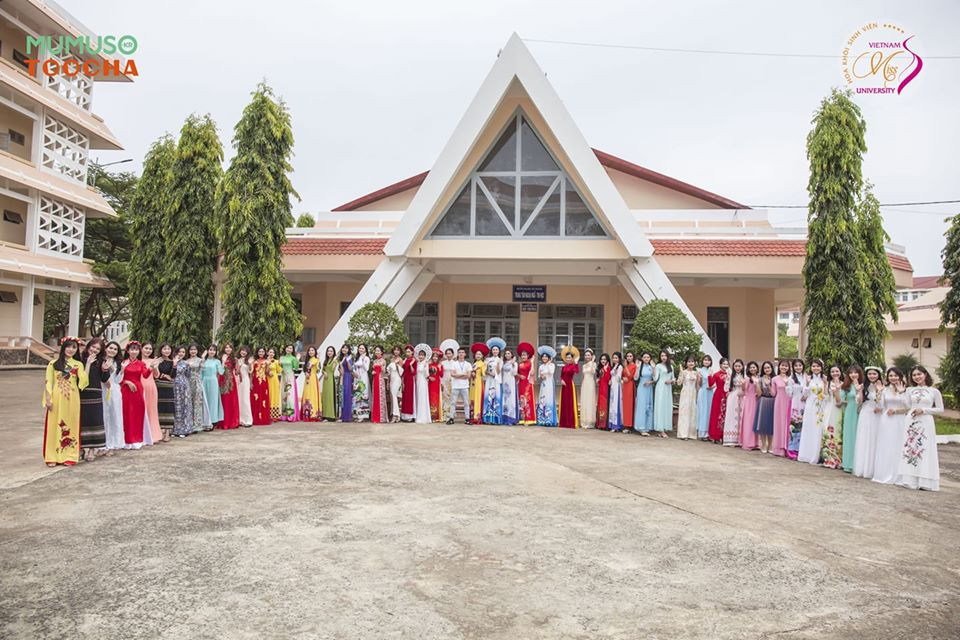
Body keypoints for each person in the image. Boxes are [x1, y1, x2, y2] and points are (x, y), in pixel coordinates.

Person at [41, 337, 87, 466]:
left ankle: (69, 455)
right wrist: (48, 398)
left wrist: (87, 365)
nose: (71, 350)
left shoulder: (78, 364)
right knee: (54, 425)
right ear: (63, 347)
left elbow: (83, 383)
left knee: (71, 424)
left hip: (73, 397)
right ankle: (52, 456)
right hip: (56, 397)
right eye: (68, 346)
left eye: (74, 347)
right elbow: (48, 382)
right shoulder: (53, 364)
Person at [895, 365, 942, 491]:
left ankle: (925, 481)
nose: (917, 377)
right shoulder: (910, 390)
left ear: (925, 374)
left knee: (924, 449)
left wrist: (924, 410)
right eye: (914, 375)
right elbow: (907, 405)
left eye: (919, 374)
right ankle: (910, 480)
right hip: (911, 421)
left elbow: (940, 409)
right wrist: (901, 393)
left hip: (926, 422)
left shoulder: (934, 391)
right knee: (910, 449)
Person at [873, 367, 907, 484]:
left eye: (896, 375)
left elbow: (908, 406)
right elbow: (880, 406)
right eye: (891, 376)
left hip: (900, 419)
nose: (893, 378)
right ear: (887, 377)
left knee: (899, 445)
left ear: (900, 376)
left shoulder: (905, 390)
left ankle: (899, 475)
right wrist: (878, 392)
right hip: (886, 419)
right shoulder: (884, 390)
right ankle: (884, 473)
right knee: (886, 445)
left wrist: (902, 393)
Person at [79, 338, 109, 460]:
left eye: (98, 348)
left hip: (96, 394)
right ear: (88, 346)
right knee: (81, 421)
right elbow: (80, 377)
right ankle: (80, 449)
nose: (94, 350)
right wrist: (88, 363)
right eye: (93, 347)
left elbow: (104, 379)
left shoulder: (101, 361)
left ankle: (92, 450)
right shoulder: (80, 359)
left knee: (95, 421)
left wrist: (105, 370)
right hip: (82, 393)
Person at [852, 366, 884, 478]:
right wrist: (859, 391)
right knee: (864, 438)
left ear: (878, 375)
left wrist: (879, 391)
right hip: (865, 412)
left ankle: (876, 468)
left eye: (874, 374)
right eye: (870, 374)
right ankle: (863, 467)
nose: (872, 376)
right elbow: (859, 401)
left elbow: (883, 402)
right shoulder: (864, 386)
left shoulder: (883, 387)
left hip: (877, 414)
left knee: (876, 438)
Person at [797, 359, 830, 465]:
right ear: (811, 367)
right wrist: (806, 383)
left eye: (818, 366)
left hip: (820, 407)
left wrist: (825, 384)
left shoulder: (824, 379)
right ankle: (806, 454)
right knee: (808, 428)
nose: (816, 368)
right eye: (814, 366)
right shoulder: (808, 378)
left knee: (819, 429)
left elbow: (827, 396)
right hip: (810, 406)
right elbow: (804, 395)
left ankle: (816, 455)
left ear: (821, 367)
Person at [120, 341, 152, 448]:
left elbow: (146, 375)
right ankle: (126, 440)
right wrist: (127, 382)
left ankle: (137, 439)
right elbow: (118, 379)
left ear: (139, 351)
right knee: (126, 413)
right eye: (132, 349)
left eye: (136, 350)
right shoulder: (123, 362)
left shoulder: (141, 363)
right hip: (125, 389)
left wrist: (151, 367)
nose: (134, 352)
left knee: (137, 413)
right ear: (128, 351)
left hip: (138, 389)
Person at [101, 341, 125, 451]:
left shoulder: (118, 363)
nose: (112, 350)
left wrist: (121, 372)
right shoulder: (100, 360)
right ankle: (103, 444)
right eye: (110, 348)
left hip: (114, 390)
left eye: (115, 349)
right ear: (105, 348)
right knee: (104, 416)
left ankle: (115, 443)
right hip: (102, 389)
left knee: (115, 416)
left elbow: (118, 380)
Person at [839, 365, 864, 472]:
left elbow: (861, 401)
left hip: (861, 412)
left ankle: (858, 463)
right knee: (849, 436)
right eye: (851, 372)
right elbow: (839, 401)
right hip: (850, 411)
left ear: (859, 373)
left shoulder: (863, 385)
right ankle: (848, 463)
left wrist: (859, 390)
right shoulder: (846, 386)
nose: (853, 375)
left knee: (859, 436)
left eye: (856, 372)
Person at [820, 364, 844, 469]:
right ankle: (828, 459)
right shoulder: (828, 383)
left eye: (837, 371)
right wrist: (825, 385)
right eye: (832, 371)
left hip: (839, 409)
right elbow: (825, 396)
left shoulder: (844, 384)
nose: (835, 373)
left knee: (838, 432)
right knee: (828, 431)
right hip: (829, 408)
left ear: (841, 372)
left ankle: (838, 459)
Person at [140, 342, 164, 443]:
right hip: (139, 387)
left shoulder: (153, 361)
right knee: (140, 411)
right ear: (141, 349)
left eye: (150, 349)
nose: (148, 351)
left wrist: (154, 367)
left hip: (151, 386)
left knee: (151, 410)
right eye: (146, 348)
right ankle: (140, 435)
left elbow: (157, 375)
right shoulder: (136, 361)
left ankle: (153, 434)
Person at [752, 361, 776, 453]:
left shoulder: (775, 379)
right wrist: (757, 383)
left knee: (771, 423)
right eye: (765, 368)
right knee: (762, 423)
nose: (767, 369)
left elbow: (774, 393)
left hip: (773, 401)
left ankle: (770, 444)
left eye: (769, 367)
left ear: (772, 368)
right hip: (763, 400)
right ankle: (764, 444)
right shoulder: (760, 379)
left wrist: (770, 385)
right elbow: (759, 393)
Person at [786, 359, 807, 459]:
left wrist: (806, 395)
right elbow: (789, 394)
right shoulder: (791, 379)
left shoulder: (806, 378)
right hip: (795, 403)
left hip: (805, 404)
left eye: (800, 365)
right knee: (794, 426)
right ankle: (792, 449)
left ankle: (801, 449)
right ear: (793, 367)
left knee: (803, 427)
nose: (798, 367)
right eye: (796, 366)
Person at [156, 343, 177, 439]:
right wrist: (164, 376)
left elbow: (172, 376)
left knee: (168, 407)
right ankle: (160, 430)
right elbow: (155, 374)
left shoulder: (172, 362)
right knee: (159, 407)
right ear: (161, 350)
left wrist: (175, 365)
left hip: (168, 387)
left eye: (168, 349)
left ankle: (167, 432)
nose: (167, 351)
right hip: (158, 386)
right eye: (164, 349)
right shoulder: (157, 360)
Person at [172, 346, 194, 437]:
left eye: (183, 352)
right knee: (175, 407)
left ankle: (184, 429)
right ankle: (174, 430)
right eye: (179, 352)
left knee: (185, 407)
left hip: (184, 386)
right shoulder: (171, 362)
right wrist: (174, 364)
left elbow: (188, 375)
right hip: (173, 386)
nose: (181, 354)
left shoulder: (186, 363)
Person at [770, 360, 792, 455]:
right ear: (779, 367)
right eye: (782, 365)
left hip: (789, 402)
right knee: (779, 424)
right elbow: (773, 393)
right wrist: (769, 385)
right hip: (779, 403)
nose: (784, 367)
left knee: (788, 424)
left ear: (788, 368)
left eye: (786, 366)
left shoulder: (791, 379)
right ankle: (778, 448)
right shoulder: (775, 379)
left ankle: (788, 447)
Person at [201, 344, 225, 428]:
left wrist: (223, 362)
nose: (212, 351)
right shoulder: (203, 360)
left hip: (213, 382)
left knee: (213, 401)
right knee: (205, 401)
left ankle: (213, 421)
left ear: (216, 352)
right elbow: (201, 372)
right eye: (210, 349)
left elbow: (221, 372)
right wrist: (203, 359)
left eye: (214, 350)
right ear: (207, 351)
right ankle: (205, 421)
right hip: (204, 381)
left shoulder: (217, 361)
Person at [722, 359, 745, 446]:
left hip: (743, 396)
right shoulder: (730, 375)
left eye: (739, 366)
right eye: (736, 366)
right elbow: (726, 387)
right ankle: (731, 439)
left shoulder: (745, 376)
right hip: (733, 396)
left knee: (741, 416)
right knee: (732, 416)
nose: (737, 368)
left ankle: (740, 439)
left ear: (742, 367)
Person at [676, 355, 699, 440]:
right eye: (689, 361)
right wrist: (681, 373)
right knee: (684, 412)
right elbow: (679, 383)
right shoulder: (684, 372)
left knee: (692, 412)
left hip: (693, 394)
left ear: (695, 363)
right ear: (686, 363)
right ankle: (683, 434)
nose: (691, 363)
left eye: (692, 361)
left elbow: (697, 386)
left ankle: (691, 434)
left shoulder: (696, 373)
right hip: (685, 393)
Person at [652, 350, 674, 437]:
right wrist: (653, 369)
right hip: (660, 387)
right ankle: (660, 429)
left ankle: (665, 427)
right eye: (662, 356)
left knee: (667, 406)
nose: (663, 357)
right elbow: (655, 378)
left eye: (665, 355)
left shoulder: (671, 367)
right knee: (660, 407)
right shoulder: (658, 366)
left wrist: (671, 381)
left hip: (668, 388)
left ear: (668, 356)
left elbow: (674, 378)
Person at [447, 347, 472, 424]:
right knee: (453, 402)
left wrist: (458, 375)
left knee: (466, 403)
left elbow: (468, 376)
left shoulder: (468, 364)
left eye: (462, 352)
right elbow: (452, 374)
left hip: (465, 386)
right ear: (457, 354)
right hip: (455, 386)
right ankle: (451, 418)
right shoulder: (454, 363)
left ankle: (467, 418)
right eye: (459, 352)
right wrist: (463, 374)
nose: (461, 354)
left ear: (465, 354)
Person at [707, 357, 729, 444]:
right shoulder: (716, 374)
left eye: (727, 364)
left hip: (727, 396)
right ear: (720, 365)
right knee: (717, 414)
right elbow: (711, 384)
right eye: (724, 364)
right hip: (718, 396)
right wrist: (709, 375)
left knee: (725, 415)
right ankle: (715, 435)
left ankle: (724, 435)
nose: (725, 366)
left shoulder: (730, 374)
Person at [218, 343, 240, 429]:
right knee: (223, 400)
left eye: (230, 347)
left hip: (231, 381)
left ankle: (231, 422)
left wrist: (238, 364)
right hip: (222, 381)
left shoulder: (234, 359)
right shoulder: (220, 358)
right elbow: (219, 371)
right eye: (226, 347)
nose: (228, 349)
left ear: (232, 349)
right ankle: (222, 422)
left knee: (231, 401)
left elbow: (237, 372)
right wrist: (223, 361)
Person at [739, 361, 760, 451]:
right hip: (748, 401)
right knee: (748, 421)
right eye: (751, 367)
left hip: (757, 401)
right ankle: (748, 442)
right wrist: (743, 384)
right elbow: (744, 390)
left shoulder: (759, 378)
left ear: (757, 368)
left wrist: (757, 384)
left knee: (756, 421)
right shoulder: (747, 379)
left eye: (754, 367)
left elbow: (759, 392)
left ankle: (756, 443)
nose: (752, 369)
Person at [483, 339, 504, 425]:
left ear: (499, 351)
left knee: (496, 397)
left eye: (496, 350)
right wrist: (487, 372)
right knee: (488, 397)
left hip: (496, 380)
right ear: (491, 351)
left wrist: (498, 364)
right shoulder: (488, 359)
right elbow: (484, 370)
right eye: (493, 350)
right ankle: (487, 418)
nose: (495, 351)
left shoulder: (500, 360)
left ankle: (496, 418)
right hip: (489, 379)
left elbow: (499, 372)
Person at [558, 346, 580, 428]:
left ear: (572, 358)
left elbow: (577, 372)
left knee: (570, 403)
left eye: (569, 357)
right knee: (564, 403)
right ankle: (563, 422)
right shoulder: (563, 367)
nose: (568, 359)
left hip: (570, 385)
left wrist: (576, 363)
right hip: (564, 386)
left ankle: (571, 423)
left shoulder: (573, 366)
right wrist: (561, 380)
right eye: (567, 357)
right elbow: (561, 376)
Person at [279, 344, 301, 422]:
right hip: (283, 377)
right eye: (287, 347)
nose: (289, 349)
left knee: (290, 395)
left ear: (292, 350)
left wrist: (297, 360)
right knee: (283, 395)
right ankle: (284, 415)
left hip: (290, 377)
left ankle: (291, 415)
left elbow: (296, 368)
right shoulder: (281, 358)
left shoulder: (293, 358)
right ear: (285, 349)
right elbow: (279, 367)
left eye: (291, 348)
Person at [516, 343, 537, 425]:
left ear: (528, 356)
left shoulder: (530, 363)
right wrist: (519, 375)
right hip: (521, 383)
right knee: (521, 400)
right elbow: (516, 373)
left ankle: (529, 419)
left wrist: (532, 362)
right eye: (522, 355)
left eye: (525, 355)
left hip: (528, 384)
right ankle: (522, 419)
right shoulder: (520, 364)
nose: (523, 356)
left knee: (528, 399)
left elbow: (532, 373)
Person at [251, 347, 272, 426]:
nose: (261, 353)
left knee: (264, 399)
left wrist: (268, 365)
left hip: (263, 382)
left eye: (263, 351)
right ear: (257, 352)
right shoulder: (254, 361)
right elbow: (251, 373)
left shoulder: (267, 361)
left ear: (265, 353)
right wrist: (250, 383)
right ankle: (255, 418)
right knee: (255, 399)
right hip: (255, 382)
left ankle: (264, 418)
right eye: (259, 351)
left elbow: (267, 372)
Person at [536, 346, 557, 426]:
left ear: (549, 358)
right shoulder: (541, 366)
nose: (544, 358)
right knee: (542, 399)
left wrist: (548, 363)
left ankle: (549, 420)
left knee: (549, 399)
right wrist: (541, 376)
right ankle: (542, 419)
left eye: (546, 357)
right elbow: (539, 375)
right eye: (543, 357)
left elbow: (551, 372)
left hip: (549, 384)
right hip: (543, 384)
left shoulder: (552, 365)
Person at [301, 346, 322, 421]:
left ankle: (313, 414)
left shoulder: (316, 360)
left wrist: (318, 361)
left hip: (313, 378)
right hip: (307, 379)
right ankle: (306, 413)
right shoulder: (308, 360)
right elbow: (305, 369)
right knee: (307, 394)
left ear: (315, 352)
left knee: (313, 394)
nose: (311, 352)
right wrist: (306, 373)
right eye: (309, 350)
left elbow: (319, 370)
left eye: (312, 350)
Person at [696, 355, 714, 440]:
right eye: (705, 360)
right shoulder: (699, 371)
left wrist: (712, 387)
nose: (706, 362)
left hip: (710, 392)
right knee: (703, 411)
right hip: (703, 392)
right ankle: (702, 433)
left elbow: (714, 383)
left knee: (709, 411)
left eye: (708, 360)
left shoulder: (711, 371)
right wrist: (699, 378)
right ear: (702, 361)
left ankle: (708, 433)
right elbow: (698, 385)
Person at [469, 343, 488, 424]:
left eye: (480, 354)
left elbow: (484, 374)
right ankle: (471, 416)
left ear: (482, 356)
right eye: (477, 354)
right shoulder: (474, 364)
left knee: (478, 398)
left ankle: (477, 417)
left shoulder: (483, 364)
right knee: (472, 398)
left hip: (479, 383)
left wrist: (483, 369)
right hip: (472, 383)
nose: (478, 355)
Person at [235, 346, 253, 427]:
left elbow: (250, 371)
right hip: (238, 381)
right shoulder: (237, 360)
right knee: (239, 400)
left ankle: (248, 420)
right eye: (242, 350)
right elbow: (237, 372)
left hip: (246, 380)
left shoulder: (249, 360)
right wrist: (239, 364)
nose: (243, 352)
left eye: (245, 351)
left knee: (246, 399)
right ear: (240, 351)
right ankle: (240, 420)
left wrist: (249, 363)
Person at [580, 348, 598, 429]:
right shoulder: (583, 365)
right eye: (586, 355)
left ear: (592, 356)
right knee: (584, 400)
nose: (587, 356)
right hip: (585, 383)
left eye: (589, 355)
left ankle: (590, 421)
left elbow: (592, 372)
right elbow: (583, 375)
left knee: (590, 400)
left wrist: (593, 361)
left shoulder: (593, 364)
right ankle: (584, 420)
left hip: (590, 383)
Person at [352, 344, 371, 422]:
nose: (361, 350)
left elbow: (366, 368)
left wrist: (362, 360)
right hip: (357, 378)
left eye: (363, 348)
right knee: (357, 395)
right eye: (360, 348)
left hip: (363, 378)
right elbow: (354, 368)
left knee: (363, 394)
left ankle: (363, 415)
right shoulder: (356, 358)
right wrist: (354, 373)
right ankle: (357, 414)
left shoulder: (366, 358)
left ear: (365, 350)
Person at [500, 348, 519, 425]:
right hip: (504, 382)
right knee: (504, 400)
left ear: (512, 355)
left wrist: (513, 364)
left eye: (509, 353)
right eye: (506, 354)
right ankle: (504, 418)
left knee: (511, 400)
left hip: (511, 383)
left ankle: (511, 419)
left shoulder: (515, 363)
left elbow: (515, 373)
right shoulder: (503, 363)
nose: (507, 355)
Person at [369, 346, 388, 423]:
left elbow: (384, 371)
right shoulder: (374, 361)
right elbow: (373, 371)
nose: (377, 352)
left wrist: (381, 367)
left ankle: (382, 417)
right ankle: (375, 417)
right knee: (375, 397)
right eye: (376, 351)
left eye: (378, 351)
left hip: (380, 379)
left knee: (381, 397)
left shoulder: (383, 361)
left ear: (381, 352)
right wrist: (373, 372)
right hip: (375, 380)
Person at [414, 345, 432, 423]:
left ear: (425, 356)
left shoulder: (426, 363)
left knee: (422, 398)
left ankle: (423, 417)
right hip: (417, 381)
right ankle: (417, 415)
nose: (421, 356)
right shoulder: (417, 363)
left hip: (423, 382)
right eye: (420, 355)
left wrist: (425, 368)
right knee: (417, 397)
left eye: (422, 355)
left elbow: (427, 375)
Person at [321, 346, 339, 421]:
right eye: (328, 351)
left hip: (330, 380)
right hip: (325, 381)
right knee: (325, 396)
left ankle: (331, 416)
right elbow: (322, 369)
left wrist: (335, 361)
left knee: (330, 397)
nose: (329, 352)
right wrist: (324, 372)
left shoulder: (334, 361)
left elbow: (332, 369)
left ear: (334, 352)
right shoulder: (326, 360)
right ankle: (324, 415)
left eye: (331, 351)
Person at [607, 352, 624, 432]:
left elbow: (619, 378)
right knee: (612, 405)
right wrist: (610, 379)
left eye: (616, 358)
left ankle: (617, 425)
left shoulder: (620, 367)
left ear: (619, 359)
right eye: (613, 358)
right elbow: (612, 376)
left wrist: (615, 377)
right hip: (613, 386)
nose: (614, 359)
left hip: (617, 386)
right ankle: (612, 424)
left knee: (616, 405)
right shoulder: (614, 366)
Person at [621, 352, 637, 432]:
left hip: (630, 385)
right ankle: (625, 424)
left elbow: (631, 376)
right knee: (625, 405)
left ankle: (629, 425)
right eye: (627, 356)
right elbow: (623, 375)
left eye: (631, 356)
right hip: (625, 385)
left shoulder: (634, 366)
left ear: (633, 357)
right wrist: (623, 378)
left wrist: (625, 367)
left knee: (629, 405)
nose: (629, 357)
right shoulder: (626, 365)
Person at [387, 346, 403, 423]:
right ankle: (397, 416)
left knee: (394, 396)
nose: (396, 351)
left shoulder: (400, 360)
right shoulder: (391, 359)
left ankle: (395, 415)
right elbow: (389, 373)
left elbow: (401, 373)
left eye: (398, 350)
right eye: (395, 350)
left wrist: (397, 365)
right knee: (392, 396)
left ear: (400, 352)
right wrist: (388, 382)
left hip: (397, 379)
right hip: (392, 379)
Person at [400, 344, 416, 422]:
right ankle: (404, 416)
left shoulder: (414, 360)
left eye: (409, 352)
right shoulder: (405, 360)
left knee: (410, 397)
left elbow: (413, 372)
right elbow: (402, 371)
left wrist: (411, 365)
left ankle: (410, 416)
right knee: (405, 397)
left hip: (411, 380)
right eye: (406, 352)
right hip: (405, 379)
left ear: (412, 352)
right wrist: (402, 381)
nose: (407, 353)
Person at [338, 345, 353, 422]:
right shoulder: (341, 358)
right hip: (342, 377)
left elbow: (350, 369)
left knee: (346, 395)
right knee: (342, 395)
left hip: (347, 376)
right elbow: (340, 370)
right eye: (343, 348)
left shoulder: (349, 357)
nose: (344, 349)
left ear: (348, 350)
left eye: (346, 348)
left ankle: (347, 416)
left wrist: (347, 361)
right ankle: (342, 415)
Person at [596, 353, 612, 430]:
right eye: (602, 359)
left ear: (608, 360)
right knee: (600, 405)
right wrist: (598, 380)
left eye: (605, 359)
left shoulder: (608, 368)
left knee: (604, 405)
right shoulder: (601, 368)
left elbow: (608, 379)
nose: (603, 360)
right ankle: (600, 423)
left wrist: (605, 370)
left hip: (605, 389)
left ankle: (604, 424)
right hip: (601, 389)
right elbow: (601, 379)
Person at [428, 349, 444, 422]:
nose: (435, 358)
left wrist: (440, 368)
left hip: (436, 383)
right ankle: (429, 415)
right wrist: (429, 377)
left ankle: (436, 416)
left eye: (436, 357)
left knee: (436, 398)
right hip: (429, 383)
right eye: (433, 356)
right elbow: (426, 374)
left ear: (438, 358)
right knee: (429, 398)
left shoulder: (440, 365)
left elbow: (441, 375)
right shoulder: (429, 365)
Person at [267, 348, 282, 422]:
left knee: (275, 397)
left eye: (273, 352)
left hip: (274, 380)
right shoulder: (265, 361)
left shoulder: (276, 361)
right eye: (270, 352)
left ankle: (274, 415)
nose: (271, 354)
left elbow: (279, 371)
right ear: (267, 353)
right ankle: (267, 414)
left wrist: (279, 364)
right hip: (267, 380)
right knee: (268, 396)